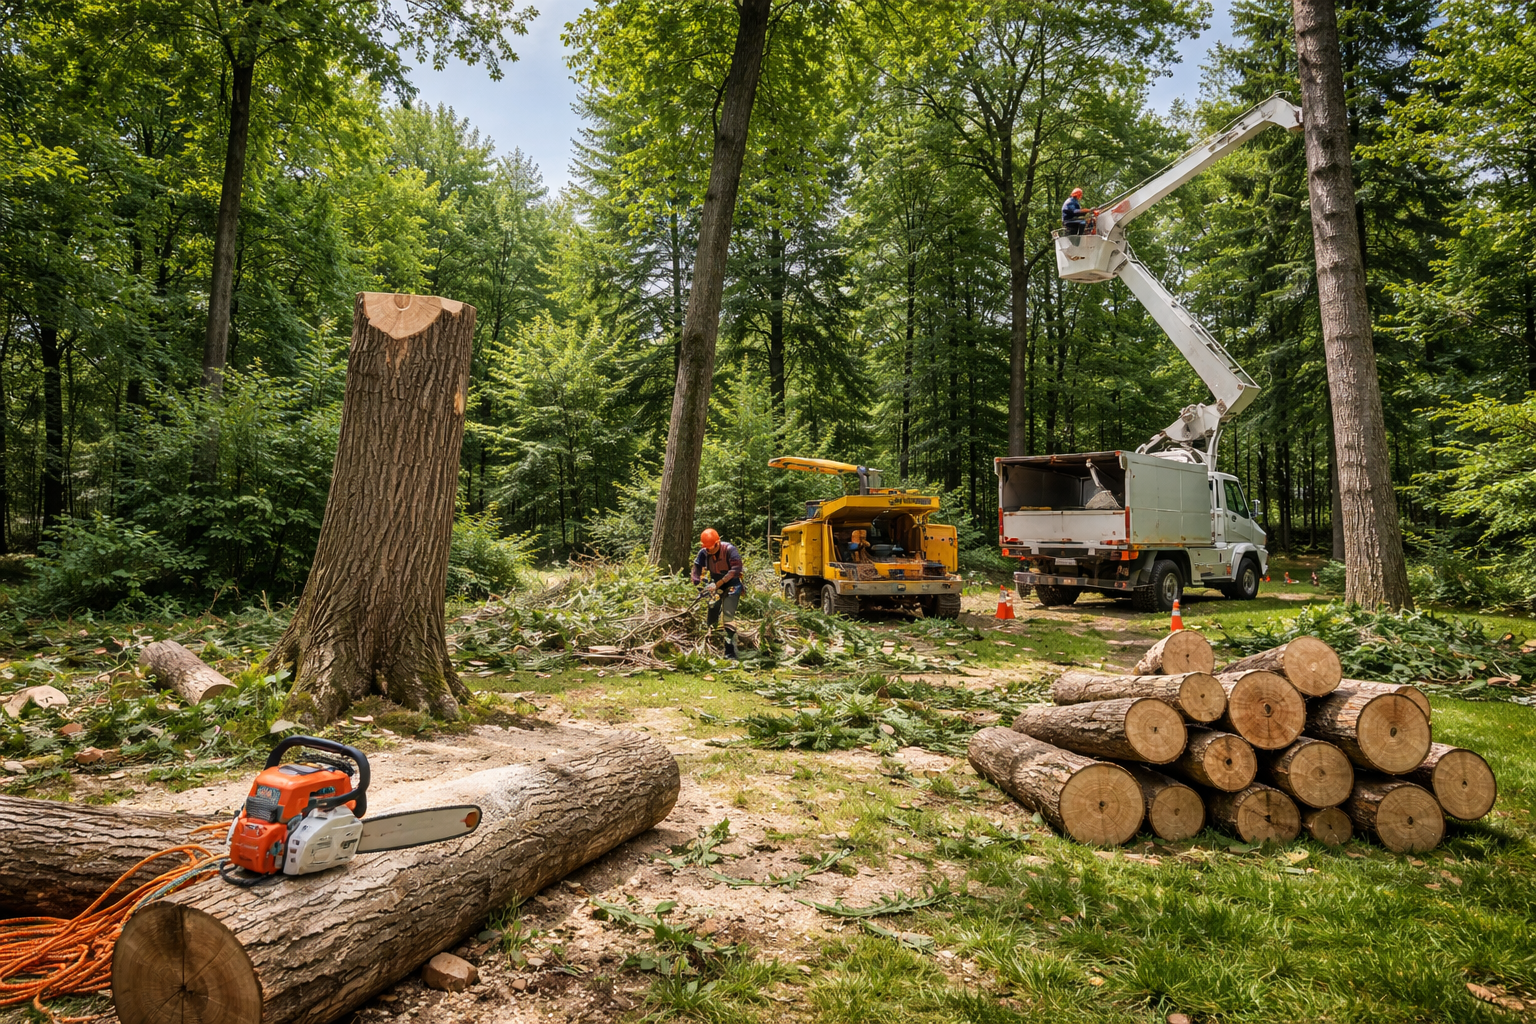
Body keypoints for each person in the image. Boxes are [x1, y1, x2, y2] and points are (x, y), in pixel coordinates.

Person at [692, 528, 745, 661]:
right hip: (715, 583)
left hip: (732, 583)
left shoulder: (730, 550)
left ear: (718, 543)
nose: (708, 550)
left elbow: (736, 570)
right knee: (712, 609)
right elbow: (697, 568)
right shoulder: (704, 552)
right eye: (706, 548)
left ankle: (730, 650)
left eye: (711, 547)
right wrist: (700, 584)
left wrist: (720, 583)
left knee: (728, 614)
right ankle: (712, 642)